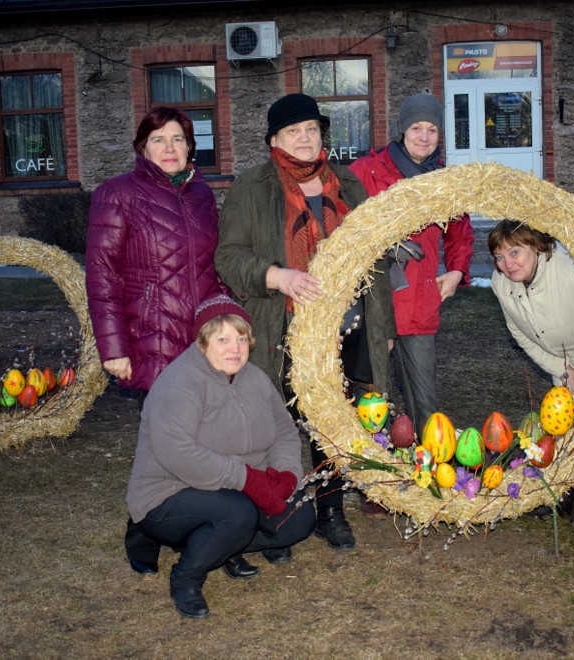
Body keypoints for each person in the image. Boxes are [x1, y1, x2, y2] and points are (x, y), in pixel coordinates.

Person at [216, 93, 396, 551]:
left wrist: (384, 329)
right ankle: (270, 512)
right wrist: (277, 276)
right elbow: (229, 257)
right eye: (292, 131)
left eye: (311, 129)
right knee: (275, 422)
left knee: (331, 420)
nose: (303, 138)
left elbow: (375, 260)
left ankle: (330, 511)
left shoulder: (348, 184)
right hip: (284, 328)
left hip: (349, 326)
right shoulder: (252, 187)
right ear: (274, 140)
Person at [124, 295, 316, 619]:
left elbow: (284, 432)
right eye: (222, 339)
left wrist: (285, 475)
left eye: (241, 339)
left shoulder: (256, 378)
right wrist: (246, 478)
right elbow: (176, 452)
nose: (234, 349)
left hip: (236, 486)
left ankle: (225, 545)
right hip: (170, 492)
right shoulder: (180, 382)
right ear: (202, 342)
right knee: (238, 514)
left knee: (299, 516)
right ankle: (186, 577)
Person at [349, 93, 474, 436]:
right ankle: (374, 464)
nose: (424, 136)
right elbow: (341, 226)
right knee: (371, 400)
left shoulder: (443, 182)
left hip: (419, 300)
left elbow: (460, 233)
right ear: (402, 129)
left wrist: (458, 271)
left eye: (432, 129)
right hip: (374, 301)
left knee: (425, 403)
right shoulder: (367, 171)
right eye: (416, 127)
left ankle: (428, 463)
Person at [86, 106, 226, 400]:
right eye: (158, 140)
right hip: (152, 338)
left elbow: (216, 265)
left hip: (204, 334)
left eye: (178, 139)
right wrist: (113, 348)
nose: (169, 148)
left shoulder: (201, 194)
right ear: (143, 148)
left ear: (189, 147)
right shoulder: (117, 193)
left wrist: (227, 318)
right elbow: (102, 276)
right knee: (165, 424)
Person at [487, 220, 574, 523]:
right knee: (562, 421)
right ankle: (565, 485)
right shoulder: (501, 283)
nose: (507, 264)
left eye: (515, 252)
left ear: (536, 246)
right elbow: (519, 334)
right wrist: (565, 370)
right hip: (563, 358)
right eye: (499, 257)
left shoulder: (572, 271)